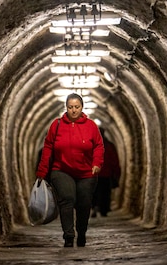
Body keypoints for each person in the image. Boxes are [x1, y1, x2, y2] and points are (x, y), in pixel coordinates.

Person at [35, 93, 103, 247]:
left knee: (84, 203)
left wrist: (97, 163)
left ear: (82, 107)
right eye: (70, 107)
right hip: (61, 170)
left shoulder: (91, 126)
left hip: (86, 173)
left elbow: (98, 145)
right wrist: (42, 171)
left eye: (76, 107)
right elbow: (48, 148)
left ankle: (82, 232)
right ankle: (69, 236)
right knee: (67, 198)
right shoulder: (56, 125)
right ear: (66, 107)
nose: (73, 110)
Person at [93, 128, 121, 217]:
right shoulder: (109, 145)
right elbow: (114, 160)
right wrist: (116, 172)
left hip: (94, 174)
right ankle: (103, 209)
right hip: (105, 174)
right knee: (105, 192)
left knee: (94, 192)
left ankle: (95, 207)